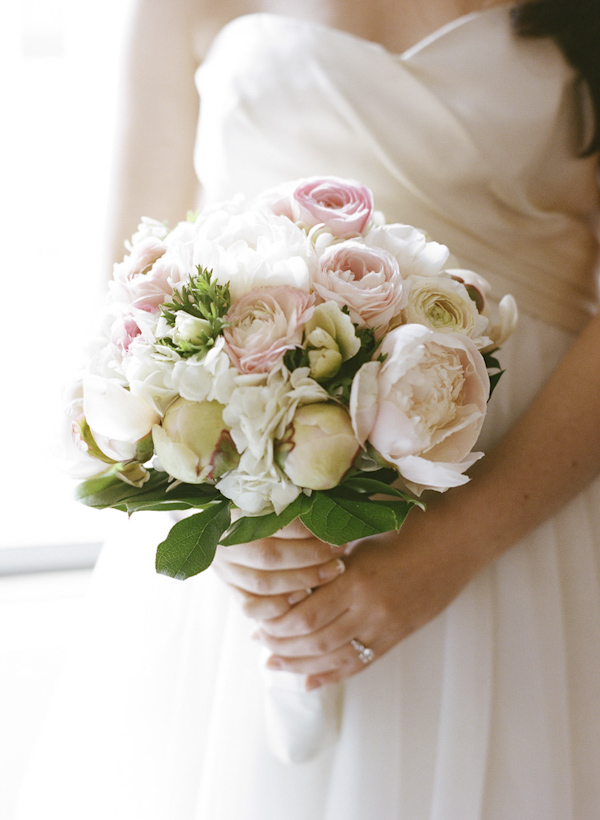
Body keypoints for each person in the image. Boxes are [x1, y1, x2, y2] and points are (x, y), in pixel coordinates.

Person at [16, 0, 600, 818]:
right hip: (242, 520)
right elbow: (121, 310)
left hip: (519, 508)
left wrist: (452, 552)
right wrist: (220, 523)